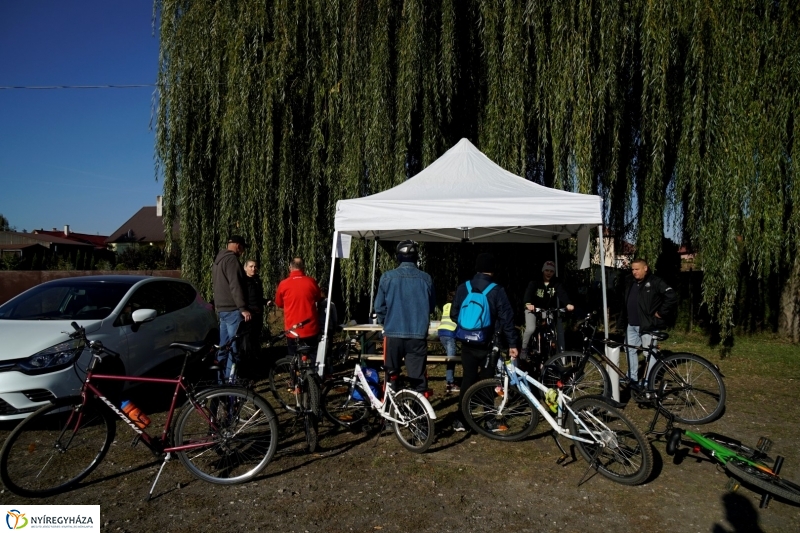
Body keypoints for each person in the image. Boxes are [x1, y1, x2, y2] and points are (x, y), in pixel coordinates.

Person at [450, 253, 518, 431]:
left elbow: (454, 314)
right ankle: (489, 420)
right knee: (487, 380)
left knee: (468, 378)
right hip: (488, 344)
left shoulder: (463, 287)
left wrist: (469, 327)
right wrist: (512, 344)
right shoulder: (496, 290)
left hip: (466, 342)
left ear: (477, 268)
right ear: (492, 270)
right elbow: (507, 319)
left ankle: (462, 419)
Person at [374, 240, 436, 394]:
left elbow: (379, 307)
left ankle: (391, 405)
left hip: (393, 333)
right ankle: (419, 405)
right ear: (416, 257)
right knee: (418, 377)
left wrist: (386, 322)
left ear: (398, 257)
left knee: (392, 375)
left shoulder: (387, 277)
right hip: (417, 335)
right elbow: (431, 307)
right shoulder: (426, 278)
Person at [618, 258, 678, 383]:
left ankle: (649, 381)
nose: (634, 272)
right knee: (630, 350)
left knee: (649, 354)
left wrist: (661, 313)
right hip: (631, 325)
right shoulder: (630, 281)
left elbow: (671, 296)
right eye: (632, 269)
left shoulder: (655, 281)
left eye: (637, 269)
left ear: (645, 268)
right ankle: (632, 377)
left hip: (648, 325)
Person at [212, 235, 252, 379]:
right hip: (233, 310)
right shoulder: (231, 260)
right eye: (243, 248)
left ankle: (220, 381)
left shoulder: (218, 261)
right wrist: (243, 308)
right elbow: (235, 285)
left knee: (223, 346)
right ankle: (232, 382)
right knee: (234, 348)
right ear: (238, 246)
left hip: (222, 309)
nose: (243, 252)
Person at [522, 260, 575, 356]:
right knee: (531, 329)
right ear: (543, 271)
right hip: (532, 309)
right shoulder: (535, 281)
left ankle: (552, 352)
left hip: (546, 309)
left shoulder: (556, 283)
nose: (549, 273)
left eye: (551, 271)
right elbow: (528, 293)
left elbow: (562, 293)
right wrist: (528, 303)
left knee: (551, 328)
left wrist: (568, 304)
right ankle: (524, 348)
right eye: (547, 270)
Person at [275, 257, 322, 356]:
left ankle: (294, 365)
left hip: (292, 328)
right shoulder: (311, 281)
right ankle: (313, 365)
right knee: (313, 354)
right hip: (311, 327)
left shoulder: (283, 284)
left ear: (290, 268)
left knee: (293, 355)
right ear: (303, 267)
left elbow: (279, 303)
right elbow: (318, 298)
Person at [242, 260, 271, 363]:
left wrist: (266, 301)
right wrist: (244, 310)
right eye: (251, 266)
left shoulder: (257, 280)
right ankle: (247, 359)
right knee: (248, 338)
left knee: (256, 336)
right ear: (245, 268)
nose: (253, 269)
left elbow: (258, 298)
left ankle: (256, 357)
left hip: (258, 314)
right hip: (249, 314)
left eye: (255, 267)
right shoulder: (243, 281)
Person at [437, 291, 459, 394]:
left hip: (441, 333)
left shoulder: (445, 306)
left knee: (450, 357)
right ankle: (450, 383)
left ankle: (450, 380)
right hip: (450, 333)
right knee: (451, 359)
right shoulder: (456, 307)